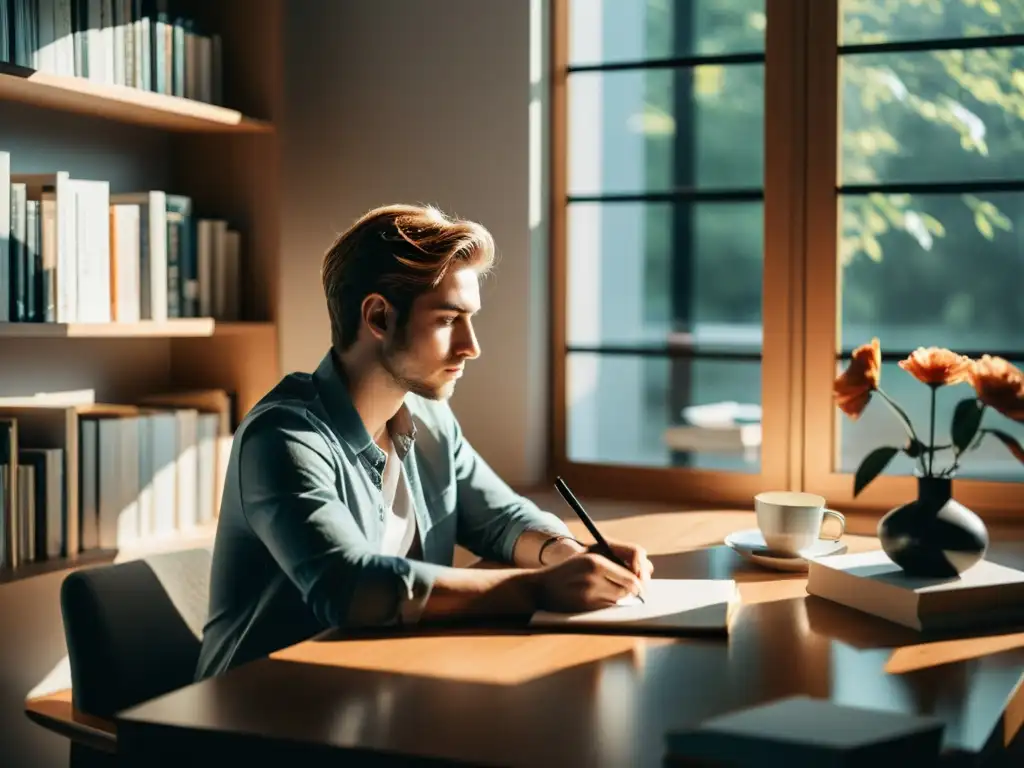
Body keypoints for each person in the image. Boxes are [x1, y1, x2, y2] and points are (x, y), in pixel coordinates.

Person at [194, 204, 654, 680]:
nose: (471, 345)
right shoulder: (285, 438)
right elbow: (349, 587)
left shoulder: (430, 420)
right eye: (448, 319)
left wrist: (570, 555)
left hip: (373, 684)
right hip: (254, 711)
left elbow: (502, 519)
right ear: (378, 317)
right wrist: (539, 589)